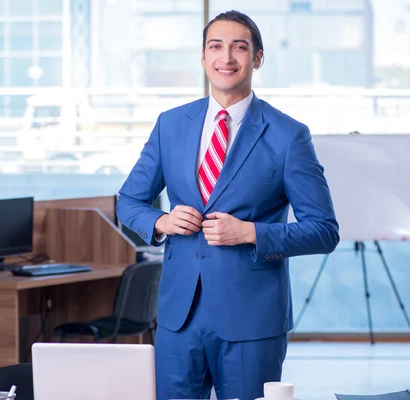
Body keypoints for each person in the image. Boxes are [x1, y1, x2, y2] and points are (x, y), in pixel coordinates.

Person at [116, 10, 339, 400]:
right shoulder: (170, 125)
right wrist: (161, 221)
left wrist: (250, 232)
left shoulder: (289, 136)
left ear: (257, 58)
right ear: (203, 57)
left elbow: (323, 230)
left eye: (240, 47)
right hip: (178, 316)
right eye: (216, 46)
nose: (227, 57)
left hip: (251, 319)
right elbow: (129, 201)